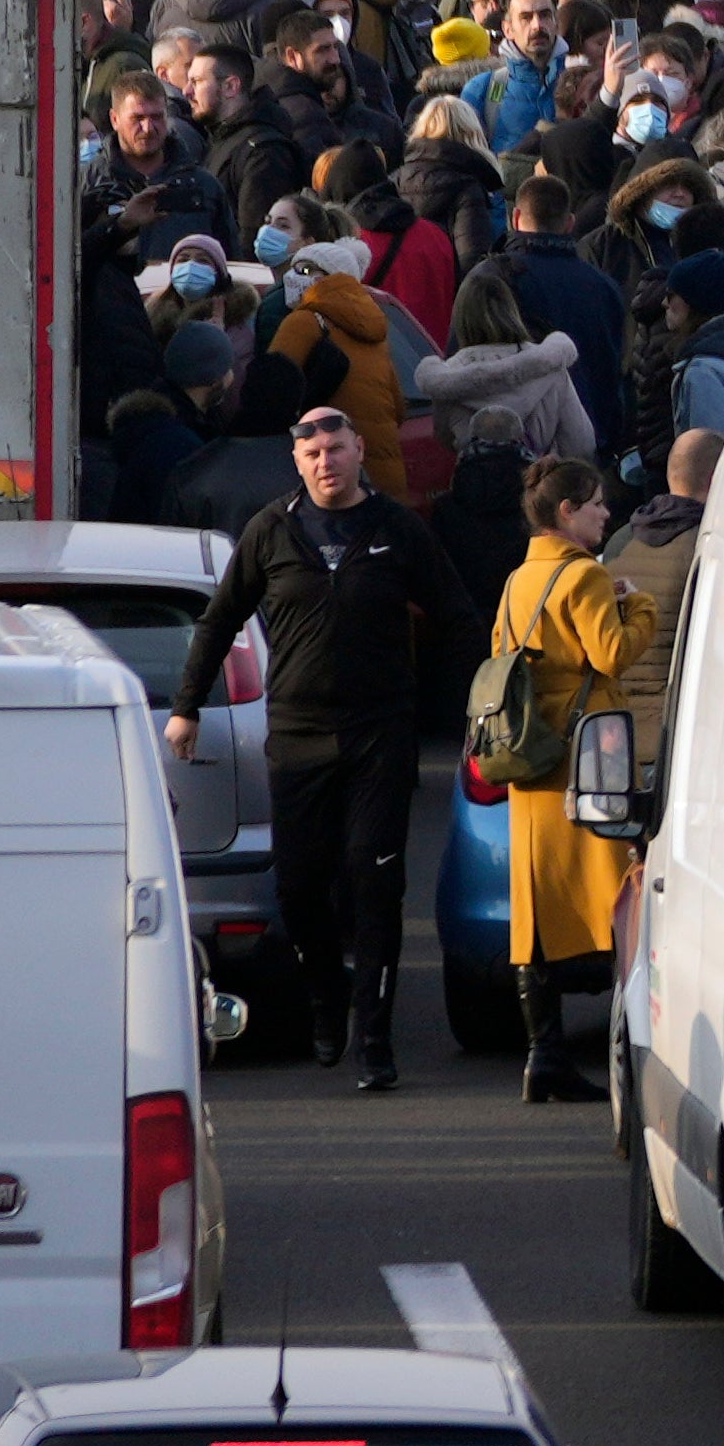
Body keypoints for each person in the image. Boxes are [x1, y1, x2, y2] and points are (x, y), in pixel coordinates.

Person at [179, 400, 448, 1087]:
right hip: (298, 732)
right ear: (298, 463)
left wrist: (476, 711)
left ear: (359, 451)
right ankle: (326, 996)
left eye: (336, 449)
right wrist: (185, 709)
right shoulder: (271, 531)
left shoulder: (395, 528)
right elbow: (217, 624)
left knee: (373, 876)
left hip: (379, 732)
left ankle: (374, 1039)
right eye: (313, 454)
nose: (326, 463)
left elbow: (457, 614)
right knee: (300, 889)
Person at [485, 453, 663, 1105]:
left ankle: (544, 1056)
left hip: (530, 755)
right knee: (617, 900)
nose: (605, 513)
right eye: (594, 504)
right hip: (585, 753)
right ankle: (630, 1052)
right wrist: (636, 601)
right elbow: (612, 653)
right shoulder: (586, 576)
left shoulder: (518, 579)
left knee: (536, 909)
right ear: (566, 512)